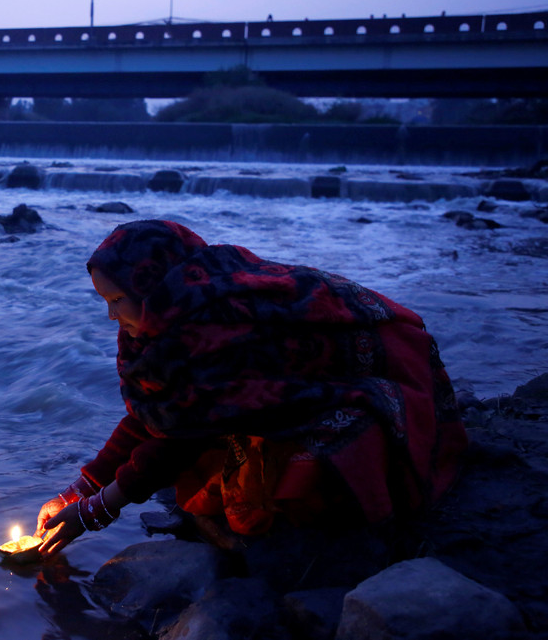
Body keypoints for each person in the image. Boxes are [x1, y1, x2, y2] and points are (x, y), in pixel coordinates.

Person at [36, 220, 467, 556]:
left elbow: (181, 437)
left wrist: (96, 511)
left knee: (275, 479)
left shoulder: (215, 328)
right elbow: (156, 414)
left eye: (115, 301)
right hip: (244, 385)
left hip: (389, 367)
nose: (112, 318)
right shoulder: (160, 319)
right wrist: (81, 487)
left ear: (151, 288)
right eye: (104, 302)